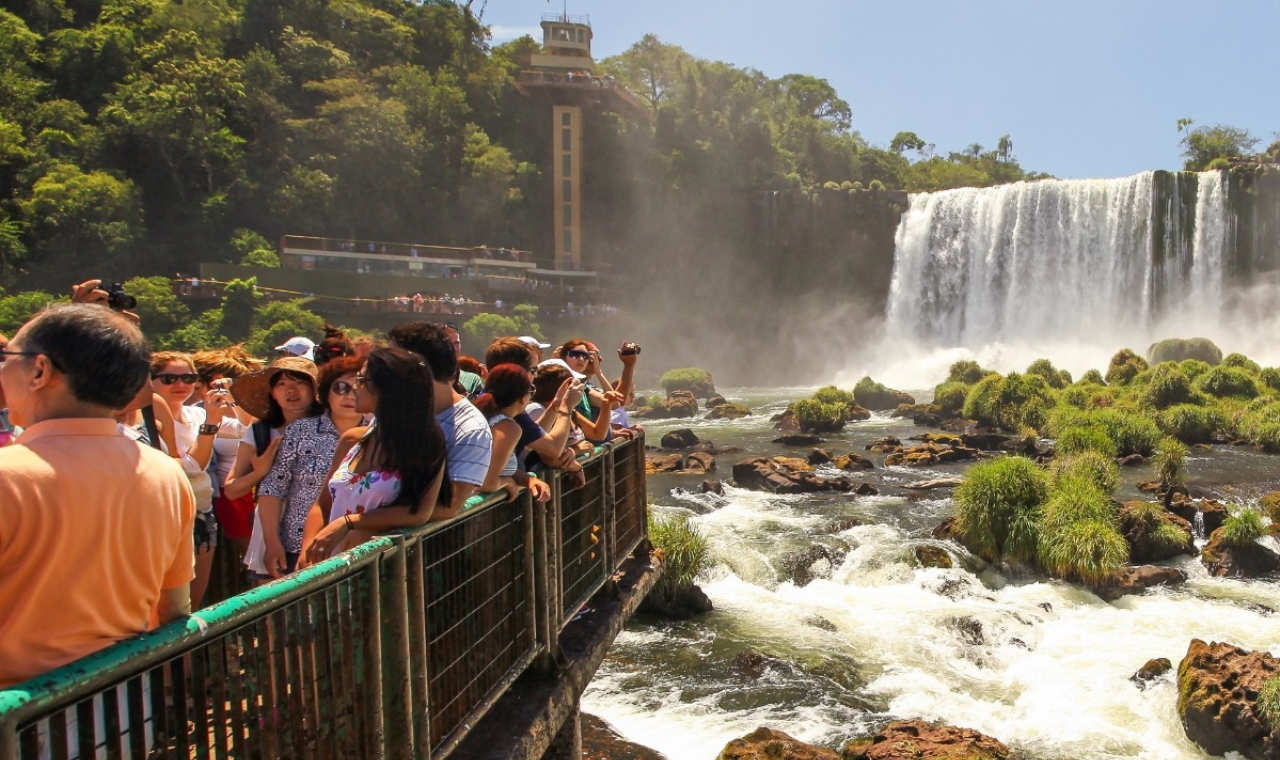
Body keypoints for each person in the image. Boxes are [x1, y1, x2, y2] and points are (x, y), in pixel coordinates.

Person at [0, 304, 195, 688]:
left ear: (39, 370)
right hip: (122, 702)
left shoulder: (8, 476)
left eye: (7, 358)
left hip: (17, 713)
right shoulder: (166, 474)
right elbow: (174, 610)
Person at [300, 348, 448, 563]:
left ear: (387, 388)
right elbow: (322, 504)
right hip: (329, 570)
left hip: (382, 572)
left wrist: (350, 522)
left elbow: (419, 512)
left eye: (361, 379)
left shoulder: (425, 443)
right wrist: (307, 550)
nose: (354, 388)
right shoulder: (352, 441)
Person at [253, 356, 364, 579]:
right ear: (325, 393)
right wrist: (272, 543)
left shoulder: (377, 434)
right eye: (341, 387)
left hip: (354, 548)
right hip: (296, 548)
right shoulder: (301, 431)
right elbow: (273, 489)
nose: (350, 395)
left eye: (360, 387)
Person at [386, 321, 492, 519]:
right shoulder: (394, 410)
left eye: (394, 362)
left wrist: (358, 523)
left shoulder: (469, 428)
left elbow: (449, 505)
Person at [150, 351, 231, 608]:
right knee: (168, 607)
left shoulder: (196, 414)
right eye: (169, 378)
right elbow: (189, 468)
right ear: (149, 381)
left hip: (202, 515)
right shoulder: (146, 425)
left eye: (188, 377)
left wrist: (229, 399)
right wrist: (212, 424)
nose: (181, 385)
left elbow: (247, 428)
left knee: (193, 603)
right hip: (166, 520)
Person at [228, 357, 324, 574]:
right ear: (272, 392)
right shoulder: (260, 432)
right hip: (271, 527)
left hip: (320, 522)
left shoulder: (331, 428)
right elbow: (232, 489)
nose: (291, 390)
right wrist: (260, 472)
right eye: (282, 384)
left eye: (299, 382)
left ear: (314, 389)